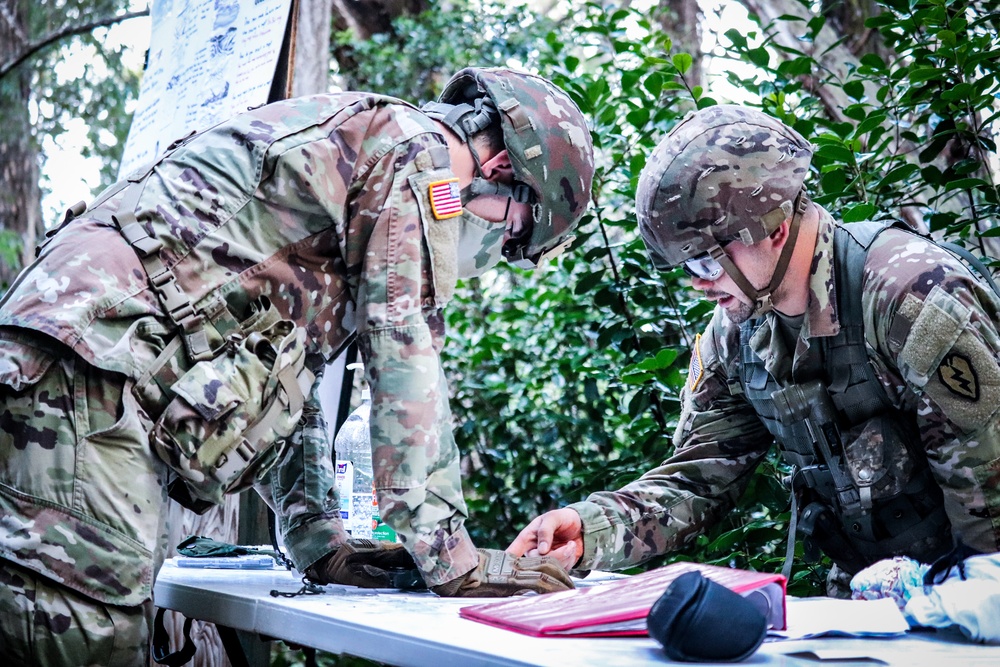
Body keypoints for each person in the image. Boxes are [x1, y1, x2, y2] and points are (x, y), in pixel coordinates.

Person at [0, 67, 593, 665]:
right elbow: (403, 348)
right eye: (510, 229)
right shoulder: (420, 156)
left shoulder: (365, 144)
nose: (491, 240)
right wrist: (455, 561)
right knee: (85, 641)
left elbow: (285, 371)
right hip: (88, 369)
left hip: (76, 360)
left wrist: (319, 539)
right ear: (499, 174)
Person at [508, 104, 1000, 597]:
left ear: (774, 230)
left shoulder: (907, 295)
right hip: (869, 599)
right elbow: (698, 481)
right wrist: (585, 529)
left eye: (704, 261)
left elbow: (990, 499)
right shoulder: (736, 334)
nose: (698, 285)